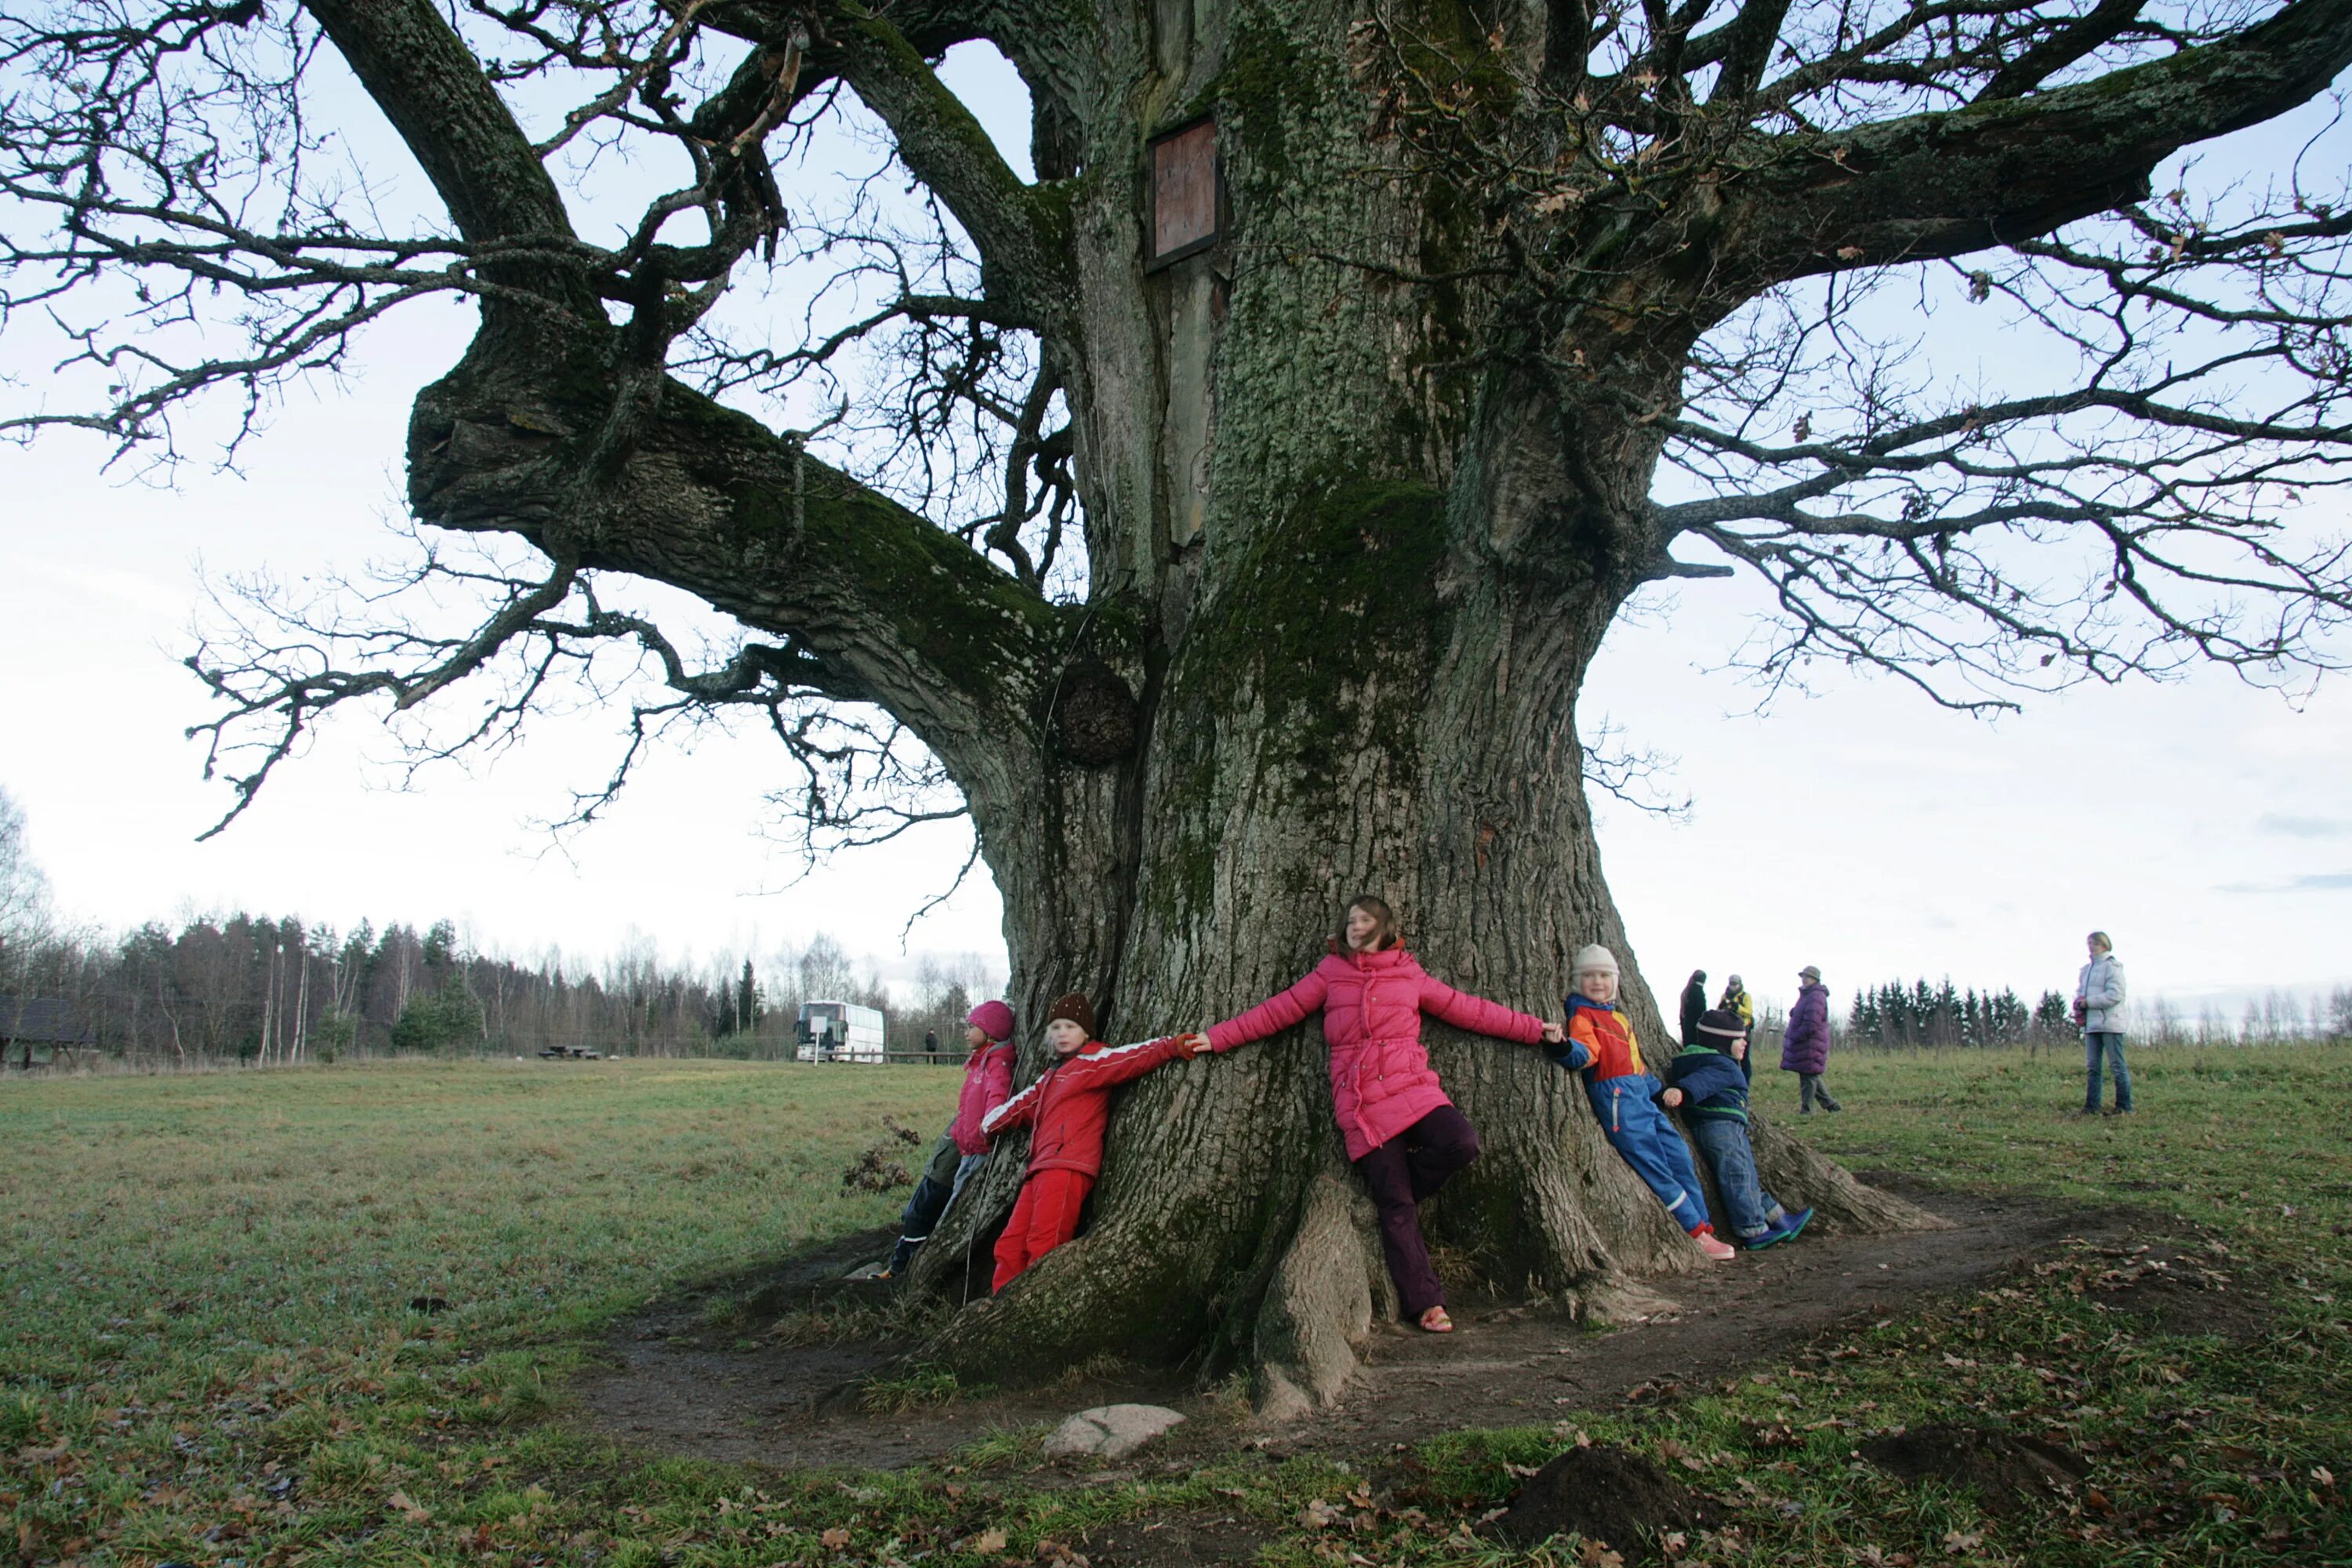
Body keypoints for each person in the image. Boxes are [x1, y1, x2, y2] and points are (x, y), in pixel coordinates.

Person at [1204, 895, 1566, 1334]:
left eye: (1366, 919)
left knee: (1460, 1144)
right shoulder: (1330, 973)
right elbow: (1276, 1011)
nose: (1356, 926)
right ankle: (1426, 1302)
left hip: (1413, 1087)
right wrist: (1216, 1038)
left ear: (1385, 927)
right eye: (1351, 920)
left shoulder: (1408, 973)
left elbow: (1467, 1008)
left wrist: (1532, 1029)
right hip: (1361, 1102)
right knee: (1395, 1205)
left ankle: (1400, 1192)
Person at [981, 994, 1210, 1290]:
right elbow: (1019, 1106)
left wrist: (1171, 1046)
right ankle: (1001, 1305)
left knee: (1044, 1242)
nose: (1063, 1033)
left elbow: (1132, 1057)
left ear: (1086, 1032)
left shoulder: (1093, 1061)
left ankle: (1036, 1301)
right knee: (1010, 1244)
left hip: (1067, 1166)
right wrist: (989, 1124)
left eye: (1071, 1026)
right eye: (1057, 1027)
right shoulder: (1050, 1076)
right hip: (1038, 1168)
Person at [1552, 945, 1737, 1261]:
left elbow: (1635, 1063)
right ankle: (1693, 1232)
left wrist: (1657, 1089)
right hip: (1617, 1099)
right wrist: (1563, 1048)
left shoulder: (1620, 1018)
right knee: (1652, 1161)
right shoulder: (1583, 1016)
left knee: (1678, 1152)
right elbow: (1586, 1054)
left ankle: (1704, 1225)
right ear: (1576, 981)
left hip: (1640, 1094)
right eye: (1590, 976)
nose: (1598, 982)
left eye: (1605, 975)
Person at [880, 1000, 1018, 1278]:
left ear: (989, 1031)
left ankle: (921, 1262)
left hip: (977, 1148)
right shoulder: (979, 1064)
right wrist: (958, 1133)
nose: (966, 1032)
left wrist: (988, 1124)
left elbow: (996, 1097)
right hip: (964, 1147)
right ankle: (907, 1261)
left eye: (972, 1027)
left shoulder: (995, 1065)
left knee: (954, 1206)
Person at [1661, 1009, 1814, 1248]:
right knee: (1737, 1174)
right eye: (1739, 1039)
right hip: (1720, 1126)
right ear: (1722, 1042)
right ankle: (1752, 1229)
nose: (1745, 1043)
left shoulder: (1717, 1061)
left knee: (1746, 1172)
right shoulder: (1721, 1065)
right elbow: (1702, 1081)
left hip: (1728, 1125)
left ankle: (1777, 1217)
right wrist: (1682, 1091)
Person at [2075, 931, 2131, 1116]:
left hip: (2111, 1024)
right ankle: (2092, 1106)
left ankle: (2124, 1106)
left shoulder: (2113, 967)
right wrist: (2079, 1003)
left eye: (2096, 943)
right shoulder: (2085, 970)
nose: (2092, 947)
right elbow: (2080, 992)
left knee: (2117, 1067)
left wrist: (2089, 1002)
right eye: (2089, 943)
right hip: (2092, 1025)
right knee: (2093, 1068)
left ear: (2105, 945)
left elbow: (2116, 995)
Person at [1780, 964, 1841, 1113]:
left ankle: (1807, 1111)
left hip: (1811, 1043)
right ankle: (1831, 1105)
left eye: (1808, 977)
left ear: (1815, 979)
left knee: (1808, 1077)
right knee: (1810, 1074)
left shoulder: (1815, 996)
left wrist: (1795, 1036)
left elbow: (1812, 1023)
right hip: (1808, 1042)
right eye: (1803, 977)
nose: (1804, 980)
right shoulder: (1808, 995)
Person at [1718, 975, 1756, 1081]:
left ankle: (1746, 1081)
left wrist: (1737, 1007)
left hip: (1743, 1030)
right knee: (1730, 1057)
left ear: (1740, 984)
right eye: (1731, 984)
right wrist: (1721, 1007)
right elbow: (1719, 1013)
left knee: (1744, 1058)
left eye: (1735, 984)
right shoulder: (1724, 996)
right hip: (1729, 1031)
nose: (1733, 987)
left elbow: (1749, 1013)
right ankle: (1732, 1080)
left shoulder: (1745, 996)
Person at [1679, 969, 1709, 1047]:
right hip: (1694, 1029)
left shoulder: (1687, 991)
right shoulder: (1698, 992)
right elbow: (1701, 1011)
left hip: (1686, 1026)